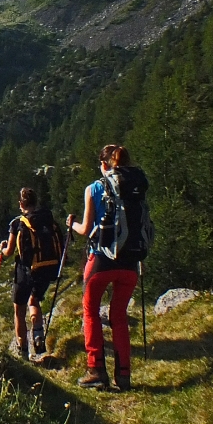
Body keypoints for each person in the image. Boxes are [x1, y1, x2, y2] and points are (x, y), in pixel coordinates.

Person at [68, 144, 148, 391]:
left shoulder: (94, 189)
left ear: (104, 165)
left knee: (90, 311)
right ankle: (124, 375)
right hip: (130, 261)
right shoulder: (136, 187)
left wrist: (71, 224)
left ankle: (96, 371)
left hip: (101, 260)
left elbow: (85, 230)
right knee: (119, 316)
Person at [0, 187, 63, 360]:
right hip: (47, 268)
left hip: (25, 271)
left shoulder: (17, 223)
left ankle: (23, 349)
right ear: (36, 202)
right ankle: (38, 336)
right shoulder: (47, 219)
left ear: (21, 204)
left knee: (19, 309)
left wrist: (2, 248)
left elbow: (10, 251)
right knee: (34, 301)